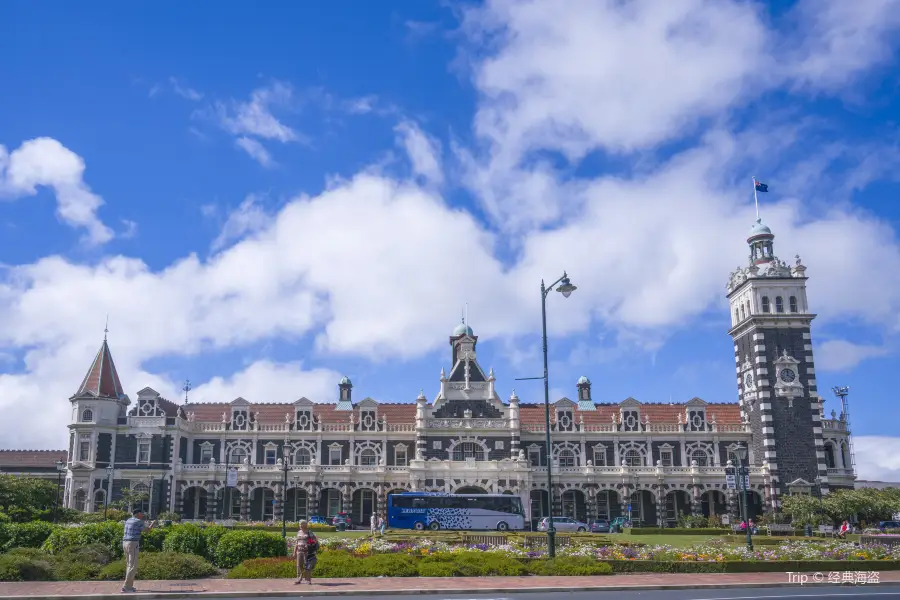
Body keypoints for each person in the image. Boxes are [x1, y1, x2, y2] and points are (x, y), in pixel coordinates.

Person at [122, 509, 156, 593]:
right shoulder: (138, 521)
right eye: (141, 513)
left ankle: (129, 586)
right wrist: (153, 523)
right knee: (132, 565)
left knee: (129, 565)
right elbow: (147, 531)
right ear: (137, 514)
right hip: (133, 543)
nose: (142, 515)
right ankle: (126, 587)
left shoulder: (128, 520)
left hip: (125, 543)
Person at [294, 520, 318, 585]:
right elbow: (296, 542)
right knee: (299, 565)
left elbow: (314, 541)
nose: (300, 525)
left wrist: (308, 545)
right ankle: (299, 578)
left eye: (301, 524)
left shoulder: (309, 532)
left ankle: (308, 580)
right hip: (299, 551)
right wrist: (294, 552)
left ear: (305, 525)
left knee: (307, 566)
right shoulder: (299, 532)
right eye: (299, 524)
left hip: (307, 552)